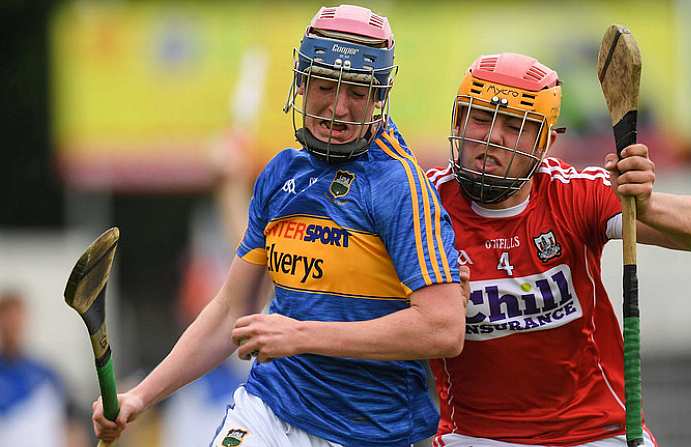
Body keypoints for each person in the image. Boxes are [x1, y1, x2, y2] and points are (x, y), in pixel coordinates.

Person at [92, 4, 465, 447]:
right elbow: (229, 311)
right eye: (326, 86)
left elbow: (443, 329)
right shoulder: (282, 174)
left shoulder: (400, 186)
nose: (339, 108)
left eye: (358, 93)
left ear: (380, 97)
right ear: (302, 83)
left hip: (372, 431)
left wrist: (301, 334)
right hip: (271, 407)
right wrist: (141, 396)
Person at [426, 53, 691, 447]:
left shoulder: (573, 193)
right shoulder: (424, 203)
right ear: (458, 121)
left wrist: (645, 203)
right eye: (481, 117)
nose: (493, 137)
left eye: (515, 126)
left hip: (595, 432)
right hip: (475, 435)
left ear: (546, 143)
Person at [0, 290, 69, 447]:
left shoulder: (46, 374)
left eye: (17, 318)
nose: (13, 325)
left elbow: (69, 425)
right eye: (7, 318)